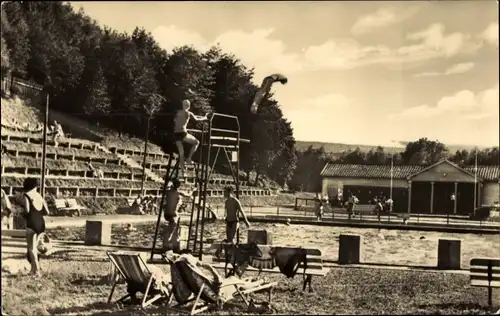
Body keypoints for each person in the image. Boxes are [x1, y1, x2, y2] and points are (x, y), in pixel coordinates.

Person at [22, 177, 50, 276]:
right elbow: (47, 212)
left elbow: (27, 211)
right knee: (35, 248)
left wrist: (22, 214)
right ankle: (32, 270)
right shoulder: (39, 196)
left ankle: (37, 270)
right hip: (41, 223)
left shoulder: (26, 195)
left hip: (32, 222)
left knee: (31, 248)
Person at [173, 99, 209, 177]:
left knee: (181, 153)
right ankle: (189, 158)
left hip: (176, 133)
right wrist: (205, 117)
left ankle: (183, 172)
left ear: (182, 105)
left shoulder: (178, 112)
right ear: (189, 106)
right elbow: (197, 119)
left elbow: (175, 120)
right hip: (183, 133)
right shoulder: (188, 113)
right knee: (197, 142)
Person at [164, 179, 189, 252]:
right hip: (173, 213)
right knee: (174, 225)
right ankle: (171, 239)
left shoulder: (169, 192)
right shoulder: (178, 192)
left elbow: (166, 188)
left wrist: (169, 183)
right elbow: (187, 195)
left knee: (175, 223)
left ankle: (174, 237)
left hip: (167, 213)